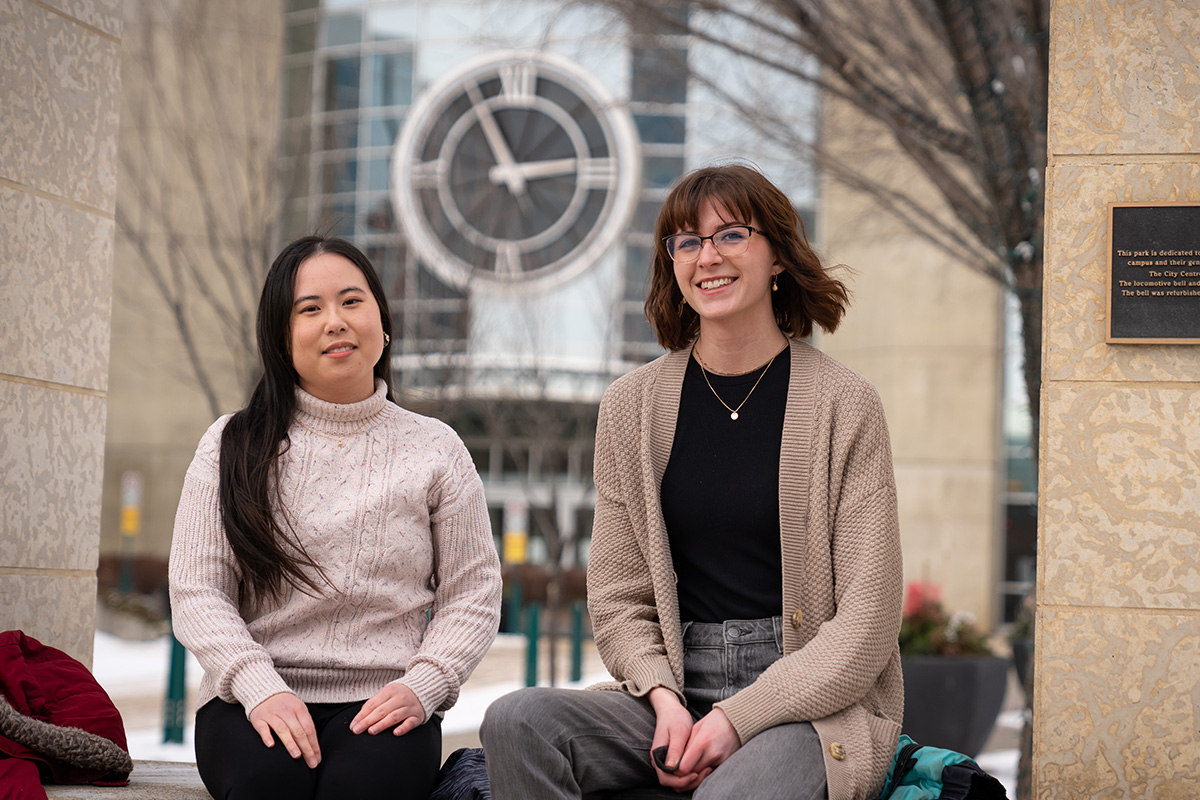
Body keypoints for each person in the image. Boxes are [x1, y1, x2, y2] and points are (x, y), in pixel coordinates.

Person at [480, 164, 903, 800]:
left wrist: (739, 718)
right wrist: (665, 699)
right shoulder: (632, 406)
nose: (708, 257)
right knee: (517, 722)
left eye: (731, 234)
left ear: (778, 256)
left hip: (810, 705)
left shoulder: (846, 403)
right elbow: (620, 598)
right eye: (686, 241)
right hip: (675, 688)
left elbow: (868, 621)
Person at [169, 235, 502, 800]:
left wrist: (425, 684)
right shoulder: (232, 444)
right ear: (282, 337)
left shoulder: (436, 449)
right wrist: (258, 686)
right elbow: (198, 588)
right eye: (310, 309)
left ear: (382, 320)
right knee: (267, 785)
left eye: (352, 301)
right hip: (251, 699)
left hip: (385, 703)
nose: (335, 322)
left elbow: (474, 591)